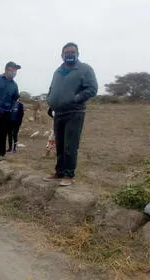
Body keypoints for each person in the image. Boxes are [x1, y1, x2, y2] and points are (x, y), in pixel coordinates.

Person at [43, 42, 98, 186]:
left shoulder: (85, 69)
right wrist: (50, 102)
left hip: (74, 112)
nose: (69, 54)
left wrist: (76, 98)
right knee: (59, 144)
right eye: (66, 52)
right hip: (59, 113)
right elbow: (52, 88)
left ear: (77, 54)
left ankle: (69, 175)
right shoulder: (58, 71)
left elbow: (92, 88)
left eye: (72, 52)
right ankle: (59, 172)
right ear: (62, 55)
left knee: (70, 145)